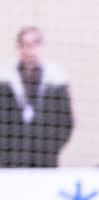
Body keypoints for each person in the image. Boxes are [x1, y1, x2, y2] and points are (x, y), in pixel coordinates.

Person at [0, 27, 74, 168]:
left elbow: (66, 122)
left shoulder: (56, 81)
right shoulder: (4, 81)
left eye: (33, 45)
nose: (29, 51)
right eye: (24, 45)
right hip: (9, 162)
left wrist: (50, 148)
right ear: (19, 48)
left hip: (45, 161)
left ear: (40, 46)